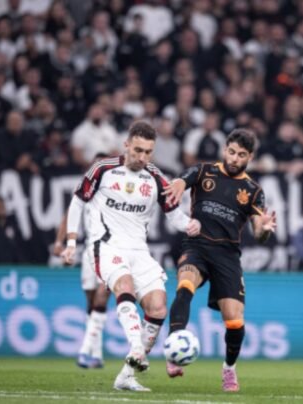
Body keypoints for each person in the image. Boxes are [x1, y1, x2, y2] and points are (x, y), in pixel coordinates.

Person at [61, 121, 201, 392]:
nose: (142, 157)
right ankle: (137, 347)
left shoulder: (156, 177)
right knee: (123, 285)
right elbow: (78, 201)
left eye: (148, 152)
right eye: (137, 150)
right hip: (107, 246)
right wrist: (70, 241)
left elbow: (174, 215)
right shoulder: (103, 169)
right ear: (126, 145)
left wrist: (190, 225)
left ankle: (126, 376)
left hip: (139, 251)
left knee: (158, 307)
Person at [162, 128, 277, 392]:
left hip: (227, 255)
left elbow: (259, 233)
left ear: (250, 157)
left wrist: (265, 230)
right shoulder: (203, 171)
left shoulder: (253, 190)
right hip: (197, 245)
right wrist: (178, 184)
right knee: (184, 287)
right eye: (232, 152)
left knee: (234, 320)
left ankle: (229, 369)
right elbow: (180, 182)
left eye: (241, 155)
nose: (235, 158)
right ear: (225, 149)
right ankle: (173, 350)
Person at [54, 153, 110, 369]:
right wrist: (60, 242)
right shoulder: (85, 191)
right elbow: (69, 216)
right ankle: (97, 354)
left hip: (111, 251)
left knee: (101, 298)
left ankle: (85, 351)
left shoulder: (118, 190)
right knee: (91, 302)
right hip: (89, 251)